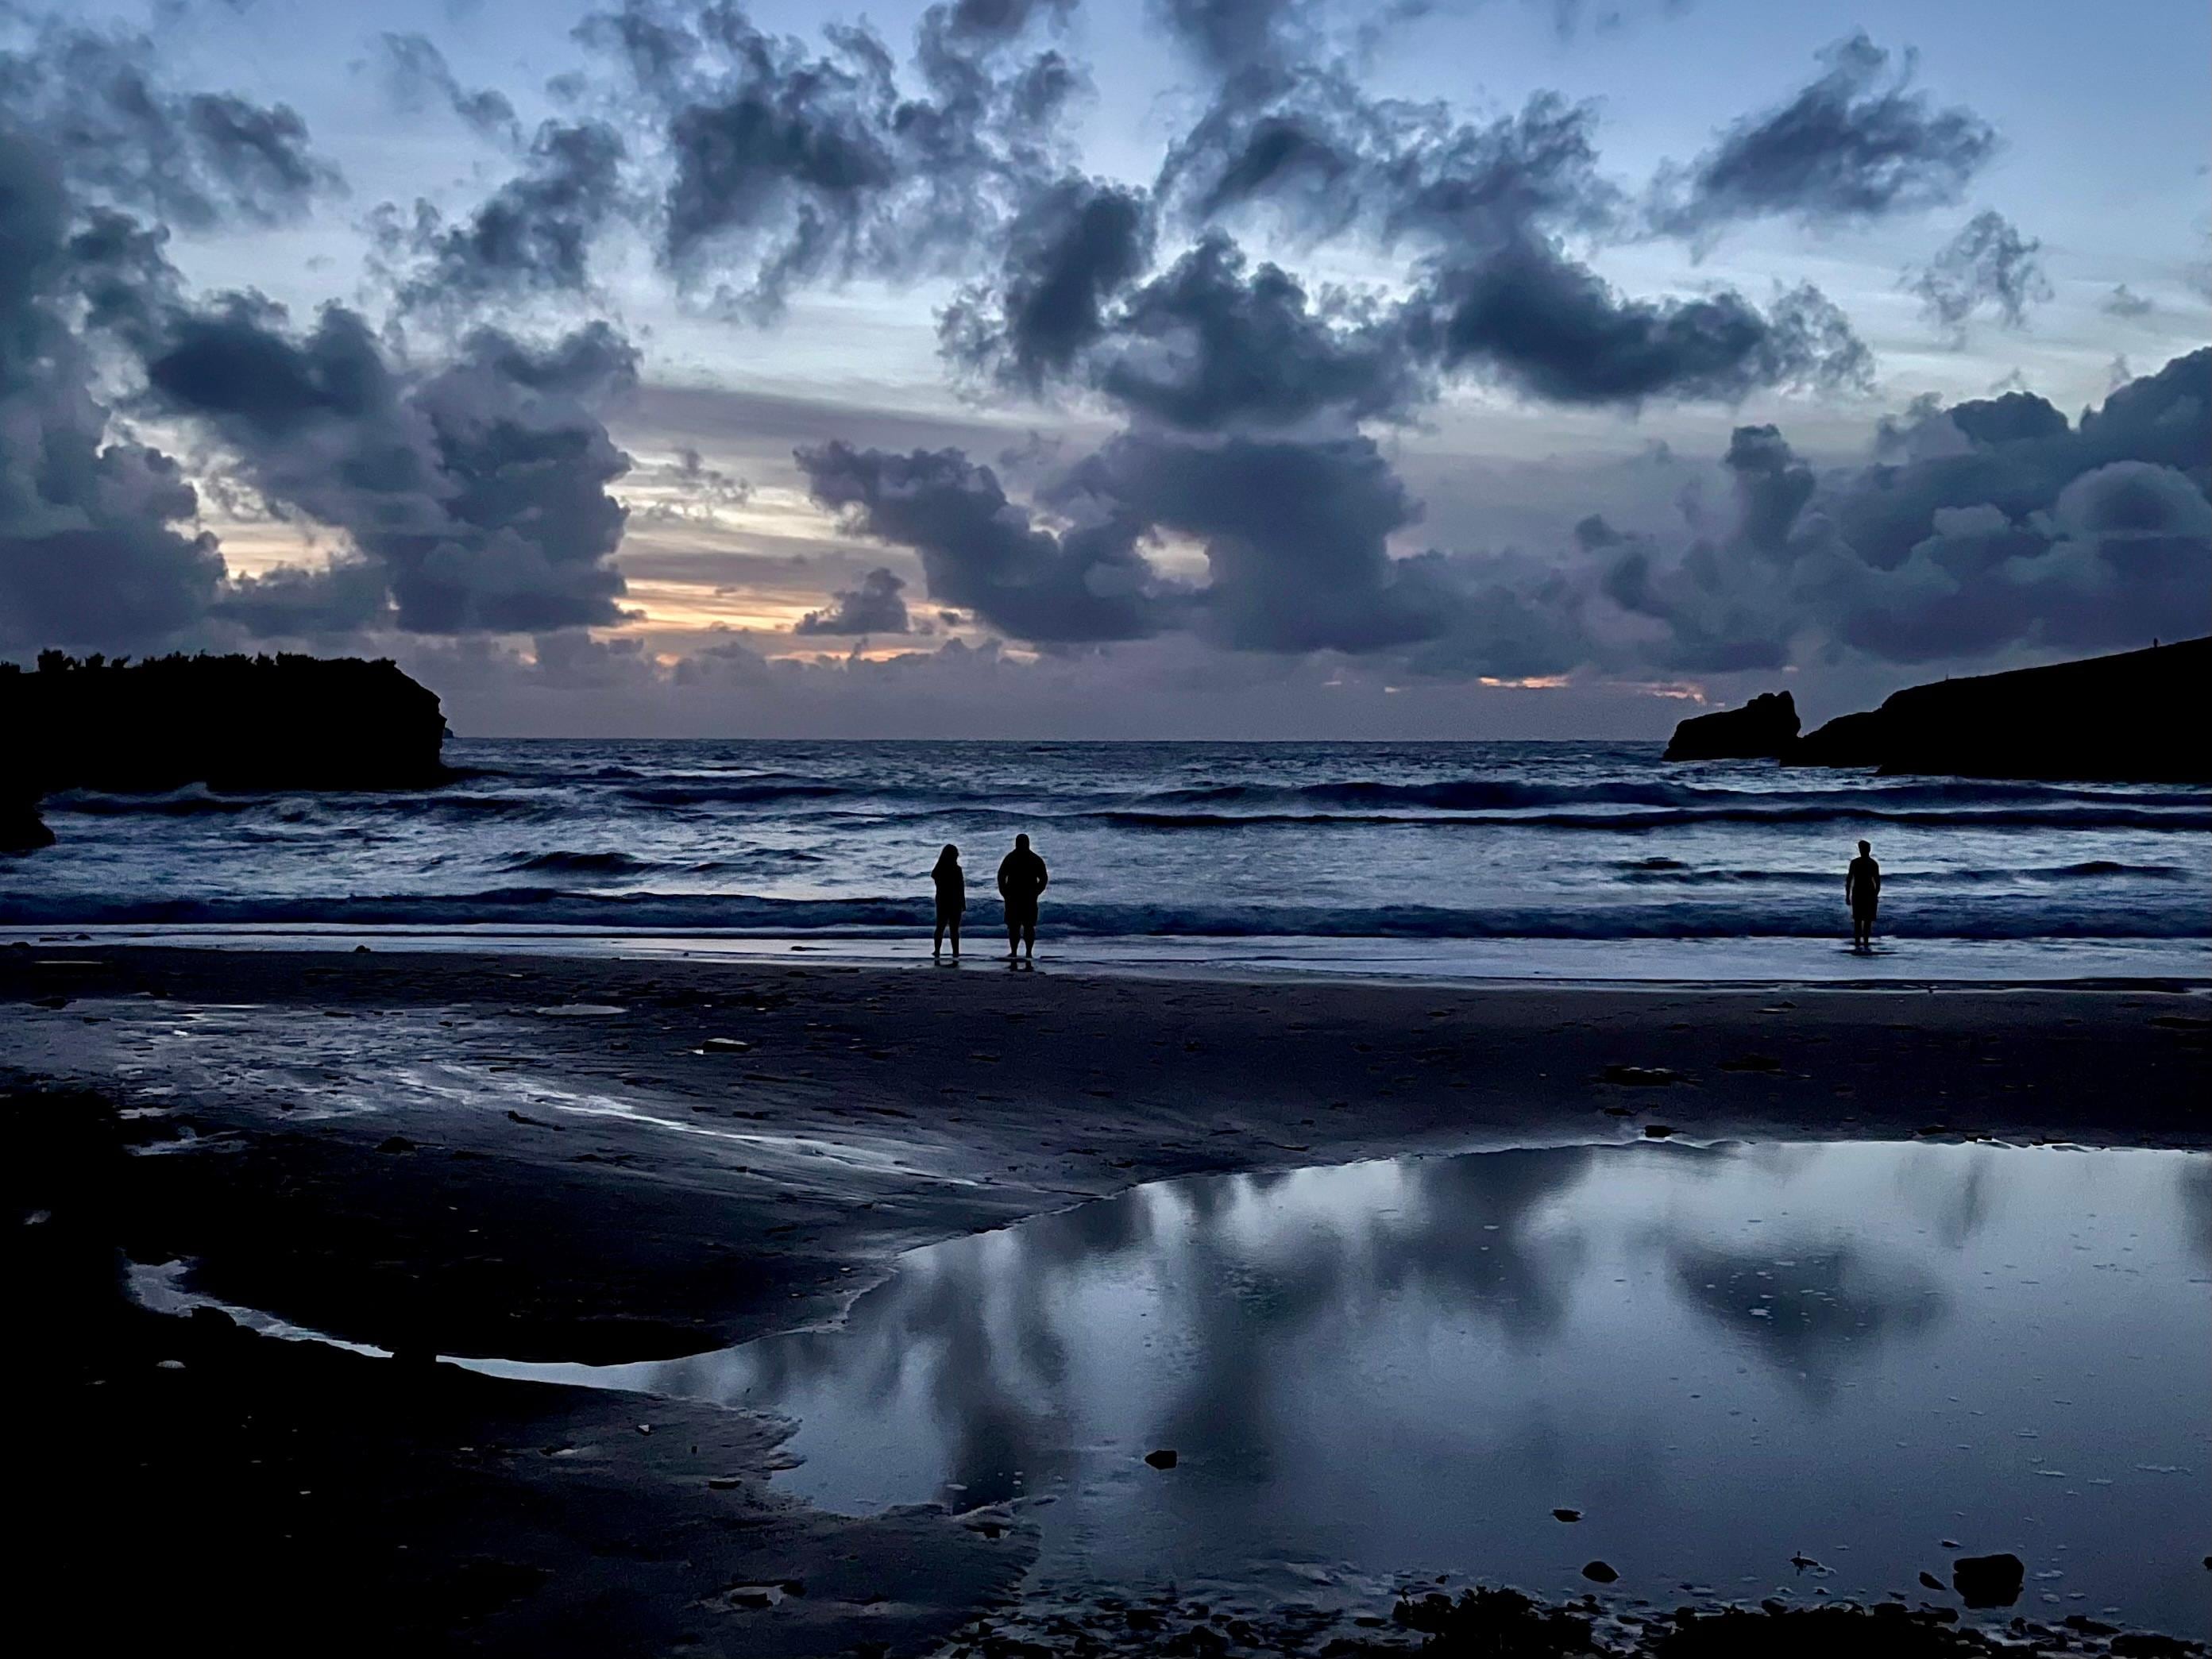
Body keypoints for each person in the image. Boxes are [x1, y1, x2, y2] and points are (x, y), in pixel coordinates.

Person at [997, 833, 1049, 963]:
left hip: (1021, 897)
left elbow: (1043, 878)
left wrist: (1036, 891)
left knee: (1021, 926)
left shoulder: (1011, 858)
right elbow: (1043, 878)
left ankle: (1022, 952)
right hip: (1021, 897)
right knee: (1022, 926)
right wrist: (1036, 891)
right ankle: (1024, 952)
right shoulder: (1033, 859)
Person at [1846, 839, 1882, 951]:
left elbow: (1849, 880)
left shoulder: (1857, 863)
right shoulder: (1871, 863)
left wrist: (1848, 894)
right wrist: (1875, 894)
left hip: (1862, 893)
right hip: (1864, 893)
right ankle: (1863, 943)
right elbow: (1878, 881)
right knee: (1863, 920)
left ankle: (1861, 943)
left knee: (1862, 920)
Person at [930, 843, 964, 959]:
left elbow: (934, 877)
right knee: (954, 929)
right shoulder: (957, 870)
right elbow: (961, 888)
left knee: (940, 927)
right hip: (954, 901)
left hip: (942, 900)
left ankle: (937, 950)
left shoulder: (939, 869)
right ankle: (955, 951)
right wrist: (963, 903)